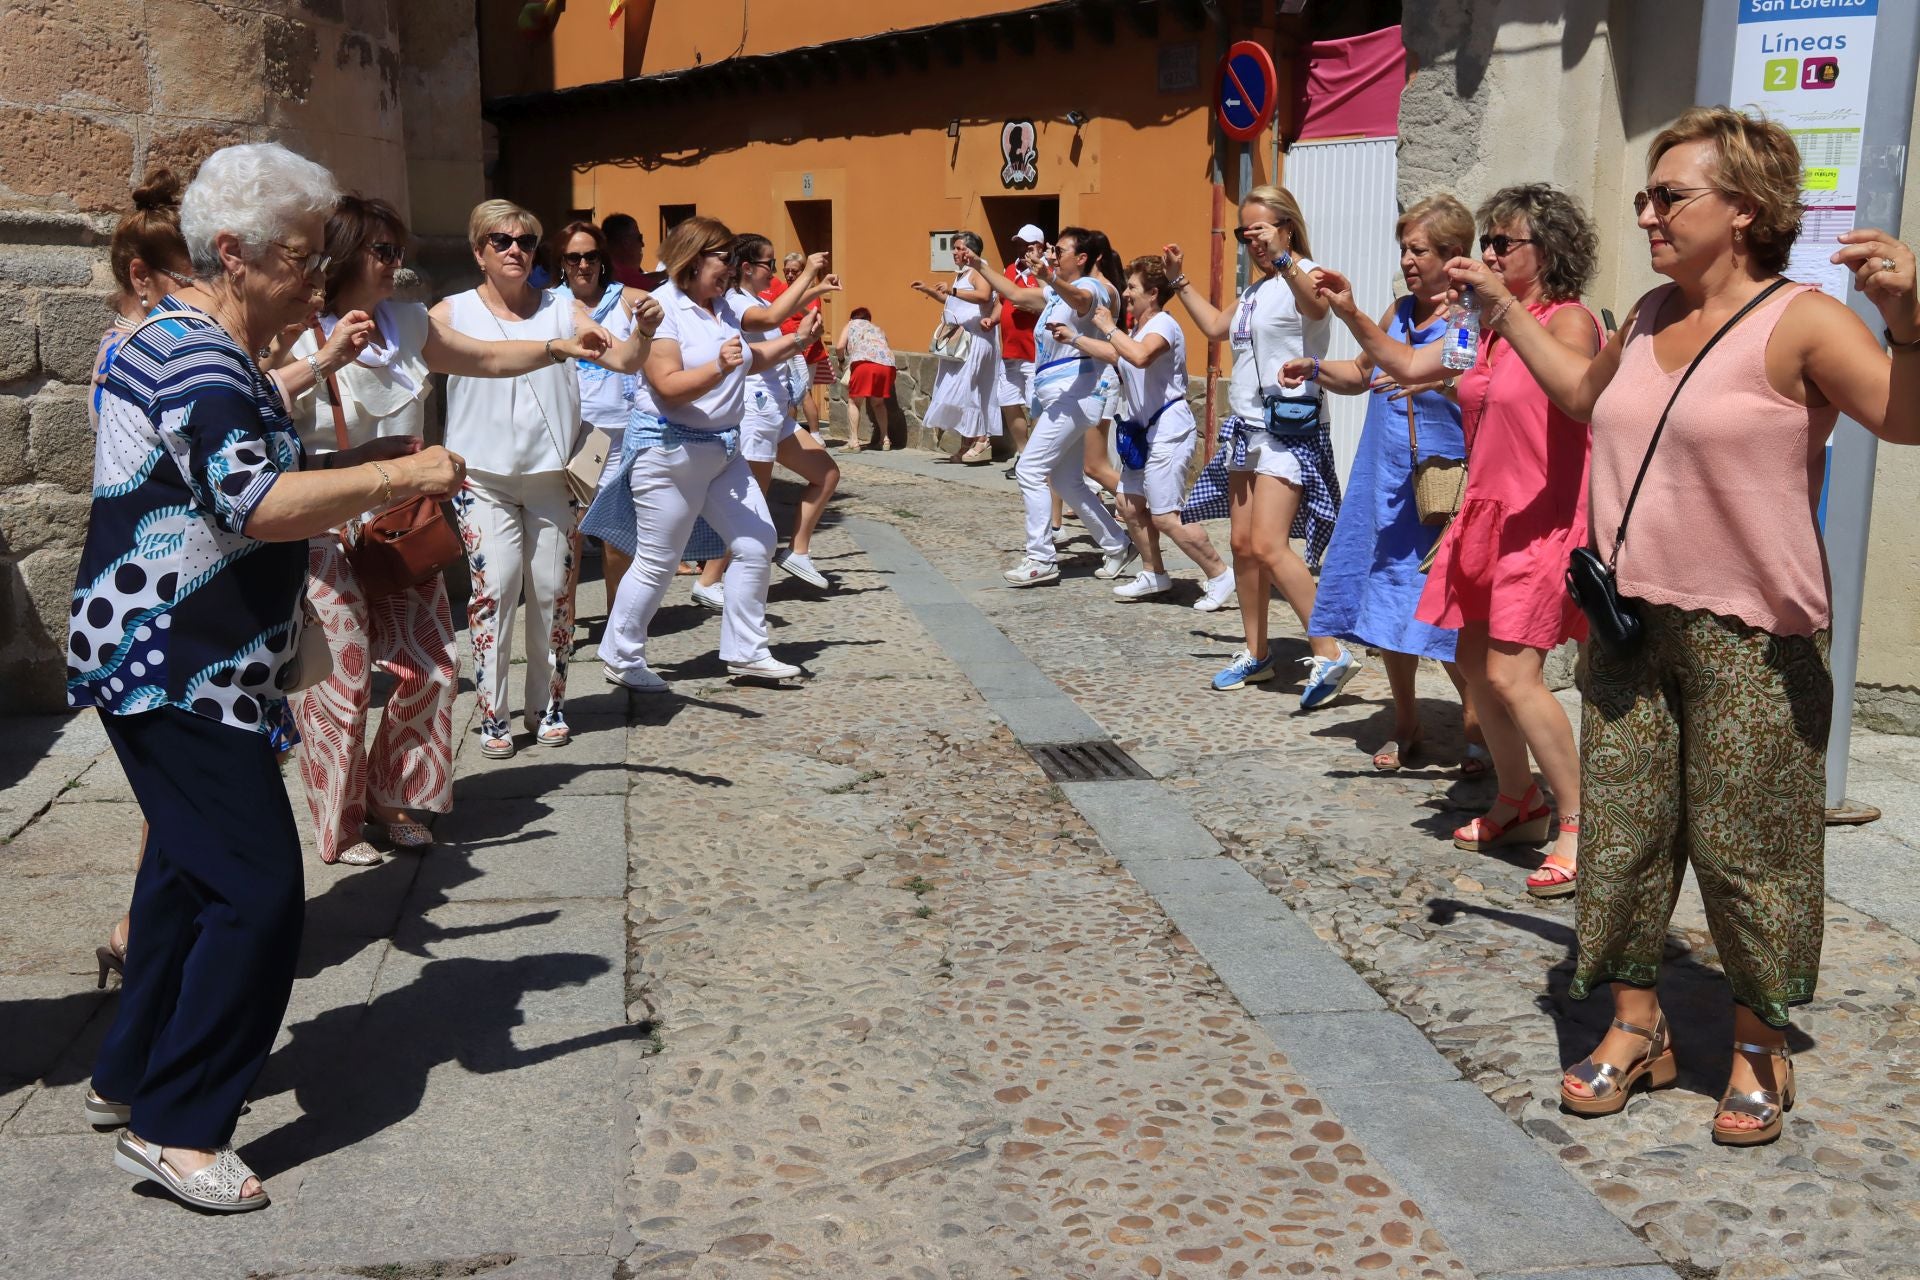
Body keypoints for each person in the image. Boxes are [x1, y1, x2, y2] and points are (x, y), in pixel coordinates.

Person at [1459, 107, 1920, 1144]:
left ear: (1746, 208)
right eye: (1647, 196)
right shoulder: (1650, 311)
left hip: (1753, 637)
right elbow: (1586, 395)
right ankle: (1637, 1027)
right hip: (1628, 621)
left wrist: (1910, 316)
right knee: (1622, 840)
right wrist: (1503, 306)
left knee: (1747, 849)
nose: (1651, 214)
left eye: (1672, 196)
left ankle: (1758, 1045)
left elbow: (1904, 414)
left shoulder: (1800, 319)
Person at [69, 142, 466, 1212]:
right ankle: (178, 1124)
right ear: (235, 255)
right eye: (302, 257)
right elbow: (252, 499)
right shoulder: (204, 364)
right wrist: (402, 470)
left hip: (160, 657)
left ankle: (124, 1072)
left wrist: (312, 372)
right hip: (179, 668)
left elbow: (228, 421)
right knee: (255, 896)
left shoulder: (167, 337)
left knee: (183, 878)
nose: (318, 277)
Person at [285, 198, 621, 865]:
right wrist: (321, 361)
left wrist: (557, 346)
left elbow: (487, 360)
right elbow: (260, 411)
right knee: (343, 679)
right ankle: (342, 820)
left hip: (400, 521)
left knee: (432, 666)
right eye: (383, 251)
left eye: (397, 250)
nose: (396, 263)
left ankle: (392, 793)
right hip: (323, 520)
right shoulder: (293, 329)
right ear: (348, 253)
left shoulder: (408, 323)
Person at [1314, 184, 1600, 897]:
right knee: (1474, 664)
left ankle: (1578, 821)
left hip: (1543, 518)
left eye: (1505, 244)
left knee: (1512, 675)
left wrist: (1498, 305)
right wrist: (1350, 311)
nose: (1490, 253)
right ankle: (1518, 800)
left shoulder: (1569, 322)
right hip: (1485, 514)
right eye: (1490, 243)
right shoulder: (1485, 330)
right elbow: (1411, 365)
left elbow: (1574, 396)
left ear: (1548, 252)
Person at [1282, 194, 1486, 772]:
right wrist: (1317, 371)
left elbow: (1473, 391)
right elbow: (1363, 373)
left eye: (1418, 250)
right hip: (1384, 479)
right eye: (1404, 249)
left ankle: (1475, 727)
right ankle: (1406, 724)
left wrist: (1433, 386)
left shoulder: (1469, 318)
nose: (1407, 260)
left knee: (1444, 612)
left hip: (1440, 483)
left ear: (1453, 255)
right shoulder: (1398, 310)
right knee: (1385, 607)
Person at [584, 215, 821, 690]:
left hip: (722, 451)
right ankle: (620, 654)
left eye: (735, 258)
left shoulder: (722, 306)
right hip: (668, 452)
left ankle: (747, 651)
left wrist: (797, 342)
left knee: (756, 544)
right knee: (657, 559)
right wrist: (717, 367)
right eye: (724, 257)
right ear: (693, 258)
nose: (732, 267)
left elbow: (749, 360)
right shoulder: (662, 310)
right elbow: (668, 386)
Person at [434, 200, 623, 760]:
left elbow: (622, 359)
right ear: (479, 252)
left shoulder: (562, 310)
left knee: (552, 593)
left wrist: (640, 339)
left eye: (525, 241)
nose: (516, 249)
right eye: (501, 240)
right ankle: (493, 712)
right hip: (482, 478)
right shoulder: (450, 312)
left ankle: (549, 703)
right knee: (494, 592)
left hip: (551, 477)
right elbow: (400, 355)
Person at [1163, 186, 1357, 704]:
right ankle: (1257, 653)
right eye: (1243, 233)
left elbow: (1317, 309)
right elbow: (1213, 327)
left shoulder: (1307, 273)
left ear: (1286, 226)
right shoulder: (1256, 290)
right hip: (1245, 427)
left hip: (1288, 429)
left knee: (1271, 545)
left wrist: (1285, 257)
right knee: (1244, 547)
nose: (1251, 241)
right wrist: (1178, 279)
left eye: (1260, 230)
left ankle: (1330, 651)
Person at [1065, 255, 1234, 607]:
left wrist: (1110, 327)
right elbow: (1118, 354)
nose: (1126, 294)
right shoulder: (1141, 329)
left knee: (1166, 515)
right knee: (1128, 504)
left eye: (1132, 288)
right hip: (1142, 432)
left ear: (1153, 293)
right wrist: (1073, 339)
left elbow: (1139, 356)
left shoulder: (1163, 326)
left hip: (1169, 430)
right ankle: (1153, 572)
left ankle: (1219, 573)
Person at [969, 227, 1133, 586]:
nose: (1053, 255)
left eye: (1060, 251)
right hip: (1060, 395)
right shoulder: (1054, 294)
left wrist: (1050, 278)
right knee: (1067, 480)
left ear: (1083, 258)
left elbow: (1082, 302)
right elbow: (1013, 293)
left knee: (1029, 469)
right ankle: (1118, 543)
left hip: (1075, 395)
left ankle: (1041, 558)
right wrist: (979, 263)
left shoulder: (1090, 288)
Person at [728, 237, 843, 589]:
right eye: (770, 264)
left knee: (826, 473)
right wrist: (808, 272)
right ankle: (713, 581)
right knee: (751, 505)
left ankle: (798, 552)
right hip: (756, 410)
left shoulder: (754, 299)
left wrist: (815, 286)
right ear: (747, 268)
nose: (775, 272)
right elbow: (773, 315)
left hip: (775, 412)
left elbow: (777, 306)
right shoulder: (735, 303)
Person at [555, 219, 653, 600]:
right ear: (561, 261)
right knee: (572, 531)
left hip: (625, 432)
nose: (583, 265)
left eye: (591, 256)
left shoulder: (629, 299)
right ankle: (565, 625)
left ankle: (618, 624)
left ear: (602, 258)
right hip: (578, 436)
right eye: (574, 257)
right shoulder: (552, 305)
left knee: (619, 535)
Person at [913, 231, 1002, 464]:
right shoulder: (962, 274)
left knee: (972, 389)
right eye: (954, 247)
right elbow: (954, 300)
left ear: (969, 250)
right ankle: (967, 441)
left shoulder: (979, 269)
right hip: (960, 340)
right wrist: (930, 290)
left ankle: (982, 439)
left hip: (975, 339)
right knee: (961, 391)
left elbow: (983, 296)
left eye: (958, 247)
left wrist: (952, 290)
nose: (954, 252)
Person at [995, 223, 1046, 473]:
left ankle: (1034, 460)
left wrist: (1034, 308)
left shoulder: (1045, 273)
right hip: (1010, 350)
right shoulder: (1010, 269)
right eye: (1018, 244)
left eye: (1025, 245)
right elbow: (1003, 301)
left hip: (1033, 352)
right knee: (1008, 401)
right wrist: (993, 318)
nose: (1020, 249)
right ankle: (1023, 453)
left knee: (1034, 405)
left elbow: (1052, 304)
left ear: (1039, 247)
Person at [768, 251, 833, 438]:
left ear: (803, 271)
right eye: (786, 271)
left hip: (805, 349)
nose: (789, 275)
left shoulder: (810, 292)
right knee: (789, 396)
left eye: (794, 272)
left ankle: (815, 435)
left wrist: (795, 301)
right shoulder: (780, 290)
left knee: (803, 393)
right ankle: (791, 433)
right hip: (783, 347)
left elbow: (814, 318)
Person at [837, 306, 898, 450]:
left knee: (854, 401)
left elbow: (840, 346)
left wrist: (841, 361)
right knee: (878, 403)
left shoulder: (851, 324)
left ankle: (854, 442)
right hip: (887, 365)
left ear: (852, 318)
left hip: (864, 363)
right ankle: (885, 440)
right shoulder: (878, 329)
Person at [604, 212, 662, 290]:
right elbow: (642, 283)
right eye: (639, 238)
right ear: (626, 242)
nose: (643, 244)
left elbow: (639, 279)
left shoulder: (610, 268)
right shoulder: (613, 272)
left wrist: (665, 274)